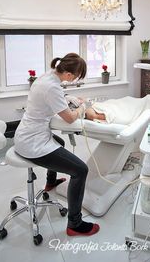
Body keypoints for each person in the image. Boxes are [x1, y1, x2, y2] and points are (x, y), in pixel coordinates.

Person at [14, 53, 100, 237]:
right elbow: (69, 119)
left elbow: (55, 95)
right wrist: (82, 108)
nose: (74, 81)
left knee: (59, 141)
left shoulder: (47, 76)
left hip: (24, 134)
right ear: (68, 74)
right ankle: (75, 224)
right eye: (75, 78)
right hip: (32, 144)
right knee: (80, 170)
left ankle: (50, 183)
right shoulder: (52, 87)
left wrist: (68, 99)